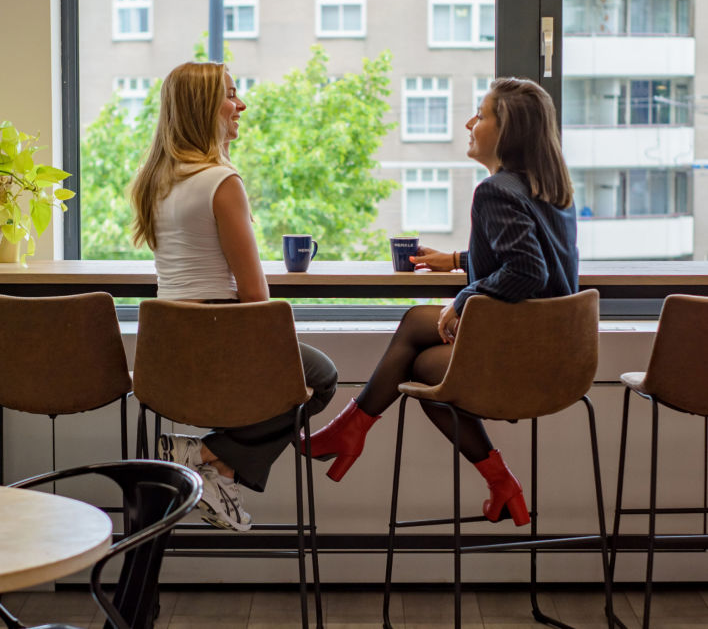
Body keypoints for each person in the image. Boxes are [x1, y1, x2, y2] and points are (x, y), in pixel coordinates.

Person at [305, 77, 577, 527]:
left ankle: (353, 431)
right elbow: (530, 256)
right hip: (560, 357)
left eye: (482, 114)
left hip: (521, 363)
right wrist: (455, 260)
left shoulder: (494, 191)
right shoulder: (550, 188)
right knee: (417, 327)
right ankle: (353, 431)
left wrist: (465, 296)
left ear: (507, 130)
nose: (470, 122)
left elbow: (529, 271)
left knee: (419, 364)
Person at [131, 61, 338, 532]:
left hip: (167, 356)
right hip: (219, 342)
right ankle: (204, 455)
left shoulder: (156, 181)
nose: (240, 104)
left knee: (301, 375)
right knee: (323, 378)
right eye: (230, 95)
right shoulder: (221, 183)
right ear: (205, 109)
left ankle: (215, 470)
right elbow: (254, 296)